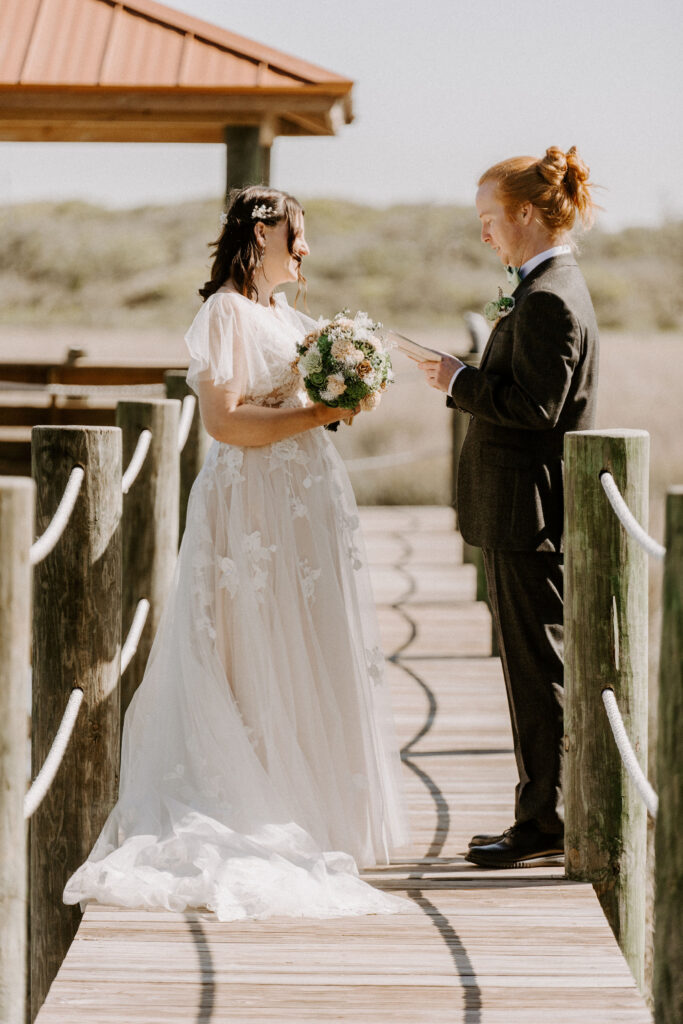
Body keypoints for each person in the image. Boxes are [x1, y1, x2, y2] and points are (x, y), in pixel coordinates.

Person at [64, 186, 408, 920]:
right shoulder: (224, 313)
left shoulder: (286, 317)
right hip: (250, 503)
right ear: (259, 235)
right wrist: (321, 410)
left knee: (303, 643)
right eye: (296, 235)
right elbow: (224, 423)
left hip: (303, 498)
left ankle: (307, 804)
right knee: (249, 641)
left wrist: (352, 389)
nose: (305, 249)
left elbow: (308, 395)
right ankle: (251, 796)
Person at [418, 147, 599, 868]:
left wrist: (458, 381)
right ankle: (542, 810)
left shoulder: (550, 296)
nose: (485, 233)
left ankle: (544, 819)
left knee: (537, 672)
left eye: (490, 219)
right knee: (531, 669)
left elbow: (537, 407)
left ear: (526, 213)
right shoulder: (544, 285)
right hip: (522, 513)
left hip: (530, 516)